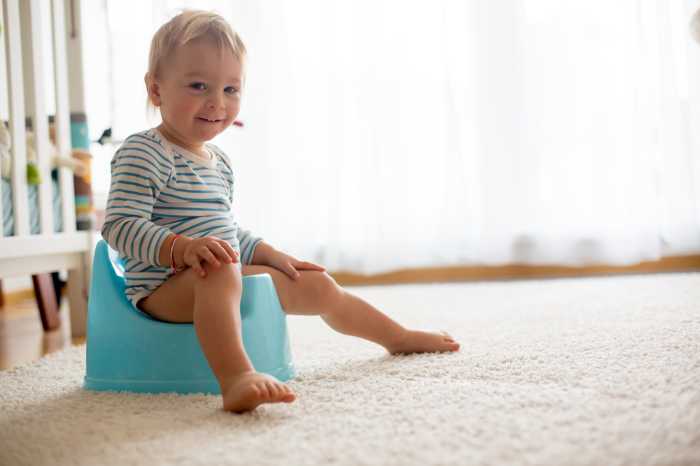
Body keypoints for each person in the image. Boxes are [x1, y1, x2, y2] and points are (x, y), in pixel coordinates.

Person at [101, 9, 460, 413]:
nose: (217, 102)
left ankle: (396, 336)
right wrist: (183, 249)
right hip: (161, 291)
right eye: (199, 85)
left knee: (315, 283)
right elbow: (119, 226)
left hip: (216, 274)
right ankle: (236, 377)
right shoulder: (144, 151)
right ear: (156, 90)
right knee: (219, 268)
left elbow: (228, 231)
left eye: (231, 89)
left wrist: (273, 256)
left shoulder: (218, 161)